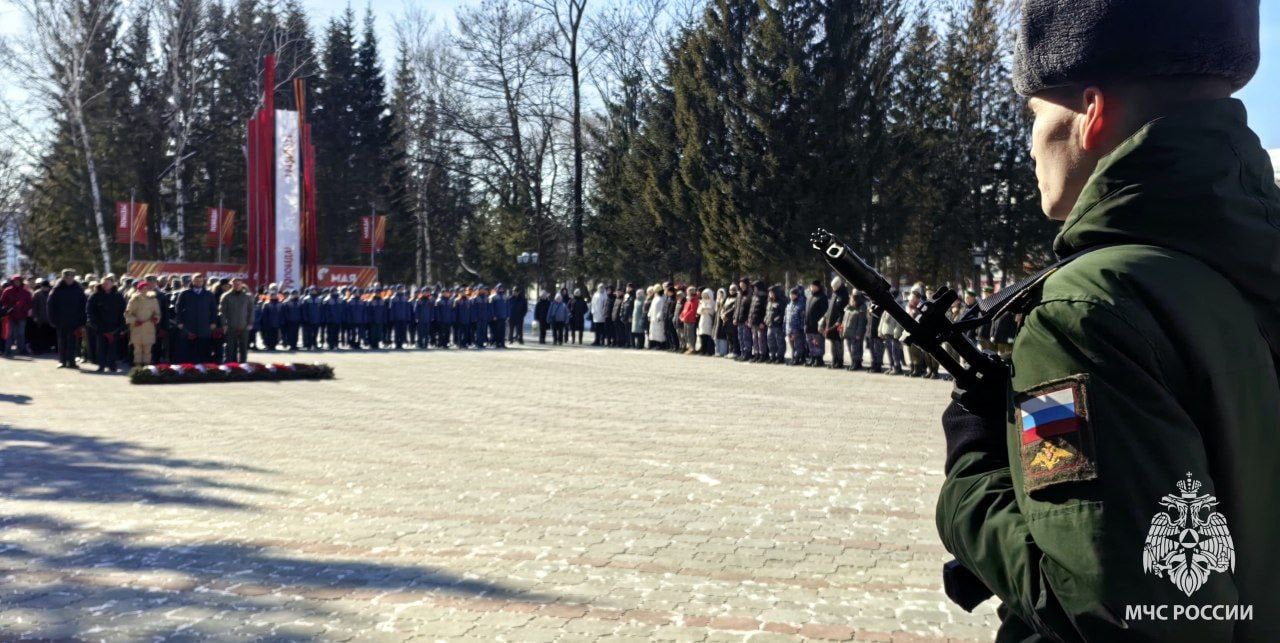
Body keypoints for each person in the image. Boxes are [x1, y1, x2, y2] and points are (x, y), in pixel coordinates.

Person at [937, 1, 1279, 638]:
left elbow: (1111, 610)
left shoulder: (1088, 310)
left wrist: (973, 471)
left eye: (1034, 114)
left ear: (1091, 115)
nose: (1031, 142)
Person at [173, 273, 219, 363]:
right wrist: (179, 322)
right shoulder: (185, 293)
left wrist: (213, 322)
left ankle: (202, 369)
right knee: (188, 349)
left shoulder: (208, 294)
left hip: (204, 326)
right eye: (196, 280)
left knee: (203, 349)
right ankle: (189, 369)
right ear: (192, 281)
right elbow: (178, 308)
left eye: (200, 281)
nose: (198, 282)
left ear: (203, 282)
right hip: (189, 326)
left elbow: (213, 309)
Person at [47, 270, 87, 369]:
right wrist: (52, 319)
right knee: (62, 341)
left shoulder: (78, 289)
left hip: (75, 321)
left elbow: (84, 305)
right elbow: (50, 305)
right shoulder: (57, 289)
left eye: (71, 277)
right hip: (61, 321)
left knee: (73, 342)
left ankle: (72, 361)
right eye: (67, 277)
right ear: (63, 278)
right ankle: (62, 361)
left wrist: (83, 320)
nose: (69, 279)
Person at [86, 275, 126, 372]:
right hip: (100, 327)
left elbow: (123, 311)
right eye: (104, 283)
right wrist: (94, 323)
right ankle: (101, 366)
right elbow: (89, 310)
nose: (106, 285)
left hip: (114, 327)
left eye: (108, 283)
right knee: (101, 347)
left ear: (112, 284)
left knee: (113, 347)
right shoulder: (95, 296)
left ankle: (112, 366)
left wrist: (122, 326)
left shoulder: (118, 296)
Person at [123, 280, 161, 367]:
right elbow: (127, 313)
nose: (145, 290)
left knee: (148, 350)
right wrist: (134, 321)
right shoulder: (133, 300)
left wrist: (156, 318)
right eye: (142, 288)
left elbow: (157, 313)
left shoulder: (153, 300)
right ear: (138, 289)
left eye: (146, 288)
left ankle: (147, 367)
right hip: (137, 328)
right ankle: (138, 367)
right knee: (137, 350)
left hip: (149, 328)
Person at [219, 279, 255, 363]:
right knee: (230, 347)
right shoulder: (226, 296)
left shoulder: (247, 296)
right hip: (230, 326)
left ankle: (243, 364)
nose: (237, 286)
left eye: (239, 284)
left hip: (244, 325)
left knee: (243, 347)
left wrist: (250, 323)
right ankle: (230, 365)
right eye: (235, 284)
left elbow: (251, 310)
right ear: (232, 285)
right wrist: (224, 324)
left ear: (242, 284)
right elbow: (222, 312)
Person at [0, 275, 32, 357]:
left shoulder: (25, 292)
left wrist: (23, 309)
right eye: (15, 281)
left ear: (21, 282)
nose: (17, 282)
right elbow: (3, 301)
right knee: (10, 334)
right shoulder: (7, 290)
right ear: (12, 282)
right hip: (11, 316)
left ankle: (22, 349)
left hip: (22, 316)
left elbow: (29, 303)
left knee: (21, 333)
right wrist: (9, 307)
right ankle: (7, 350)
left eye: (18, 281)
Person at [841, 289, 868, 371]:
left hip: (856, 332)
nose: (852, 298)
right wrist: (841, 330)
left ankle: (856, 363)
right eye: (852, 295)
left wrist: (859, 333)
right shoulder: (849, 307)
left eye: (854, 296)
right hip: (848, 331)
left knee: (855, 348)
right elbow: (844, 319)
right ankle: (854, 362)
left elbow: (861, 322)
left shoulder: (862, 306)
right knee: (850, 348)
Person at [803, 279, 827, 367]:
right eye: (811, 286)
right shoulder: (809, 297)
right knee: (810, 342)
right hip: (808, 325)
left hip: (817, 325)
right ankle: (812, 357)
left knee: (817, 342)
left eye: (813, 286)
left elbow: (824, 312)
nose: (811, 288)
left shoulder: (822, 297)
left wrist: (822, 324)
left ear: (818, 287)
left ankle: (819, 359)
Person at [29, 278, 53, 354]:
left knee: (48, 333)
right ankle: (39, 349)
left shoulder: (51, 293)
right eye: (44, 286)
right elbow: (34, 306)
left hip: (49, 318)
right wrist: (35, 316)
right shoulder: (37, 294)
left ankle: (47, 348)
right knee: (39, 334)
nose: (45, 288)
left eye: (47, 286)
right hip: (39, 318)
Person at [764, 284, 785, 363]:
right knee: (770, 341)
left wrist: (777, 320)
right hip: (769, 325)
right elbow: (767, 312)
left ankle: (780, 357)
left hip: (777, 326)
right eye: (769, 293)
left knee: (779, 342)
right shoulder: (769, 302)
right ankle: (772, 356)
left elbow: (782, 314)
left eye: (772, 293)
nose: (770, 294)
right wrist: (765, 319)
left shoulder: (780, 302)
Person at [785, 286, 806, 365]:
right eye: (790, 294)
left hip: (797, 329)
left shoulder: (800, 305)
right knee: (792, 345)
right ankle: (793, 358)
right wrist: (786, 329)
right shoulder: (789, 305)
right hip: (789, 329)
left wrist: (799, 329)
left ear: (797, 295)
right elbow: (786, 317)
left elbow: (802, 318)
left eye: (793, 294)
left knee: (798, 345)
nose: (791, 296)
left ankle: (797, 358)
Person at [647, 285, 668, 349]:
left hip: (658, 319)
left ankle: (661, 345)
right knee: (653, 332)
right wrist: (649, 315)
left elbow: (662, 309)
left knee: (660, 332)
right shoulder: (655, 298)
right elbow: (651, 308)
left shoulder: (662, 299)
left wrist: (659, 316)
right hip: (653, 318)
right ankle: (655, 344)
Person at [678, 286, 698, 354]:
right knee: (686, 334)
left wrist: (685, 317)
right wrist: (681, 315)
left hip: (690, 320)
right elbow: (684, 309)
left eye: (688, 291)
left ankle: (692, 348)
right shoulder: (688, 299)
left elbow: (693, 310)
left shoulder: (694, 299)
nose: (687, 292)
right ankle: (689, 347)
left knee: (690, 335)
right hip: (685, 320)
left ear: (691, 292)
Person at [490, 285, 508, 349]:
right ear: (497, 289)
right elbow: (492, 307)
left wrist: (507, 315)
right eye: (500, 288)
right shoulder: (494, 297)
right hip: (497, 317)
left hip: (503, 316)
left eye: (502, 288)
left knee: (503, 331)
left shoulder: (505, 297)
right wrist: (493, 315)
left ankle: (502, 344)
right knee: (497, 331)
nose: (501, 289)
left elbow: (507, 307)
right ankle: (497, 344)